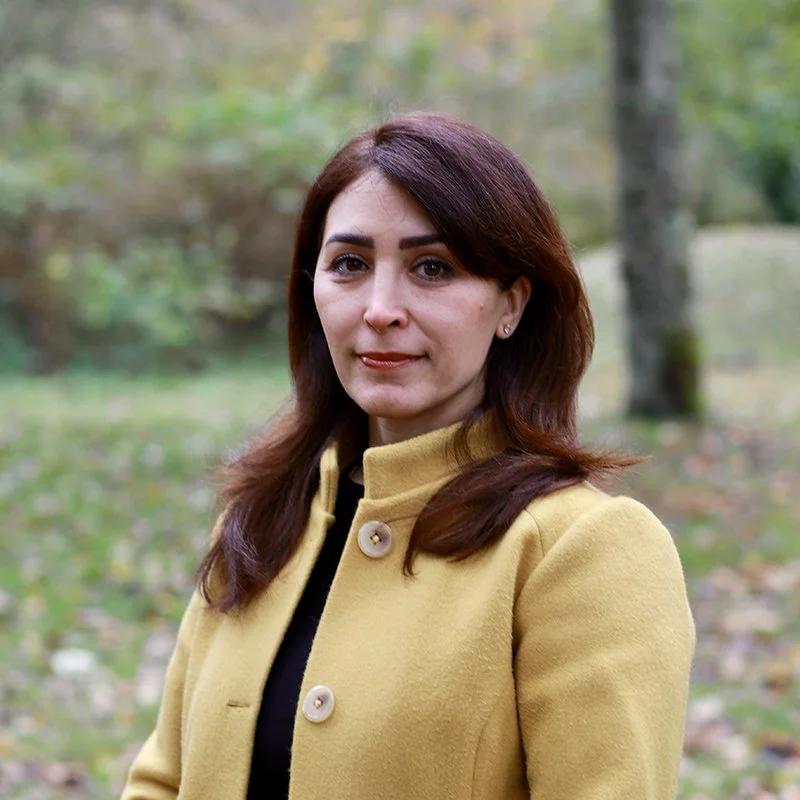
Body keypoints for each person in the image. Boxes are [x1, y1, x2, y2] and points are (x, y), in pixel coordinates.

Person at [122, 112, 695, 800]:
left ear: (510, 304)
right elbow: (163, 779)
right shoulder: (263, 519)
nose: (380, 308)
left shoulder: (581, 550)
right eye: (350, 265)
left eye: (432, 268)